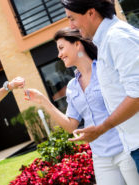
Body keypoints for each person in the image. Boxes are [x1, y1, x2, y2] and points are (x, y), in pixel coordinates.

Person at [24, 28, 139, 184]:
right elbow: (72, 127)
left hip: (125, 149)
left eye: (61, 48)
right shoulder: (72, 87)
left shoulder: (105, 70)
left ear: (77, 44)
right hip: (101, 157)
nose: (59, 55)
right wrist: (44, 101)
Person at [60, 0, 139, 172]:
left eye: (72, 18)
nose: (71, 26)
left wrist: (101, 128)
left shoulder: (117, 38)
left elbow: (137, 95)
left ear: (91, 13)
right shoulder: (105, 42)